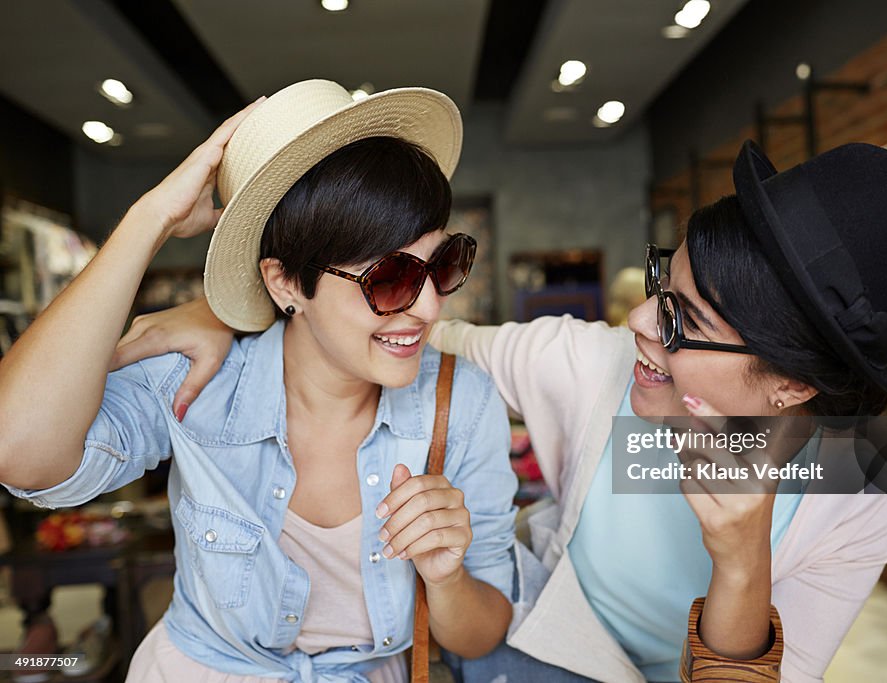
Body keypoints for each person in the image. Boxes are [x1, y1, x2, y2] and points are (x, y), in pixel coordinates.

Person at [106, 140, 887, 682]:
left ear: (790, 385)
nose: (635, 320)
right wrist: (238, 310)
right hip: (534, 657)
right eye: (663, 280)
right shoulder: (591, 367)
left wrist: (741, 562)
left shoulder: (852, 501)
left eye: (681, 320)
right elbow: (420, 334)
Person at [0, 80, 519, 682]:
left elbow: (481, 637)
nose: (429, 308)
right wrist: (151, 221)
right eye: (391, 278)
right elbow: (18, 452)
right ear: (285, 284)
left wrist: (446, 574)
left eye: (442, 263)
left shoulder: (464, 404)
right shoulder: (201, 378)